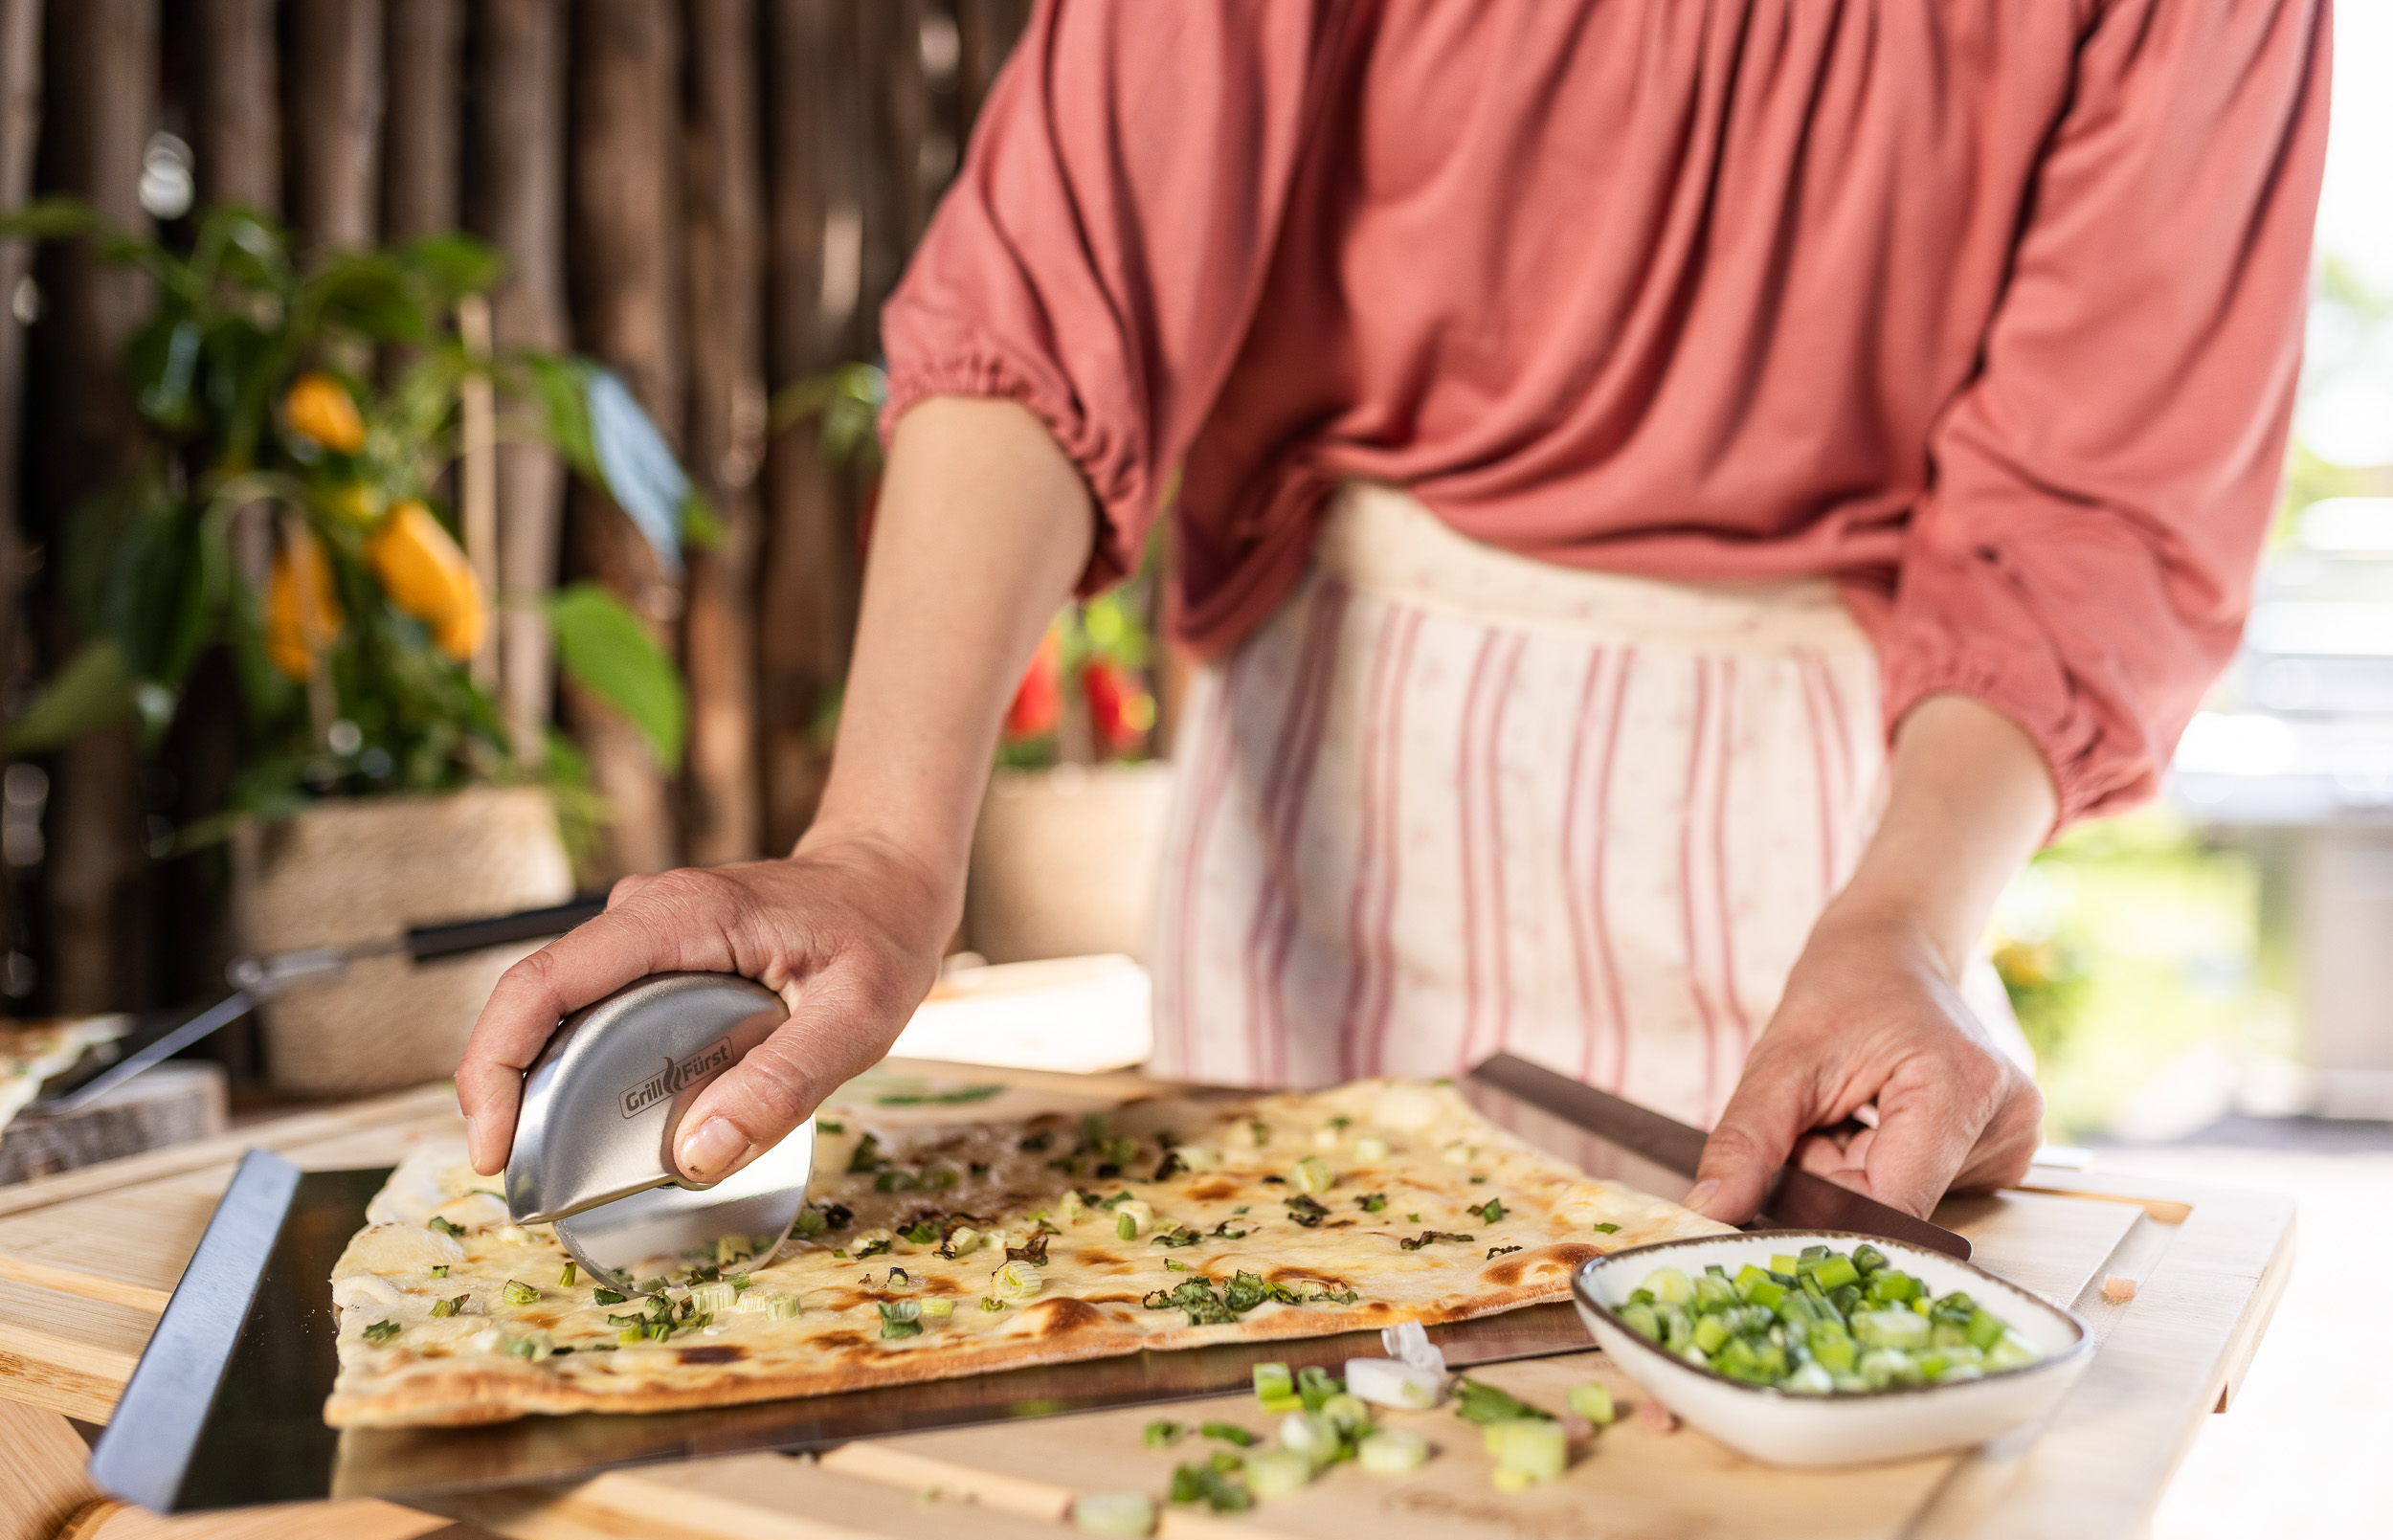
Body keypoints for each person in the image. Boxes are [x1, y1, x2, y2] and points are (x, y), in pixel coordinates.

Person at [458, 0, 2329, 1224]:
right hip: (1347, 747)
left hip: (1844, 820)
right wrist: (874, 848)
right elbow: (1060, 285)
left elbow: (2086, 507)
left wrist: (1907, 923)